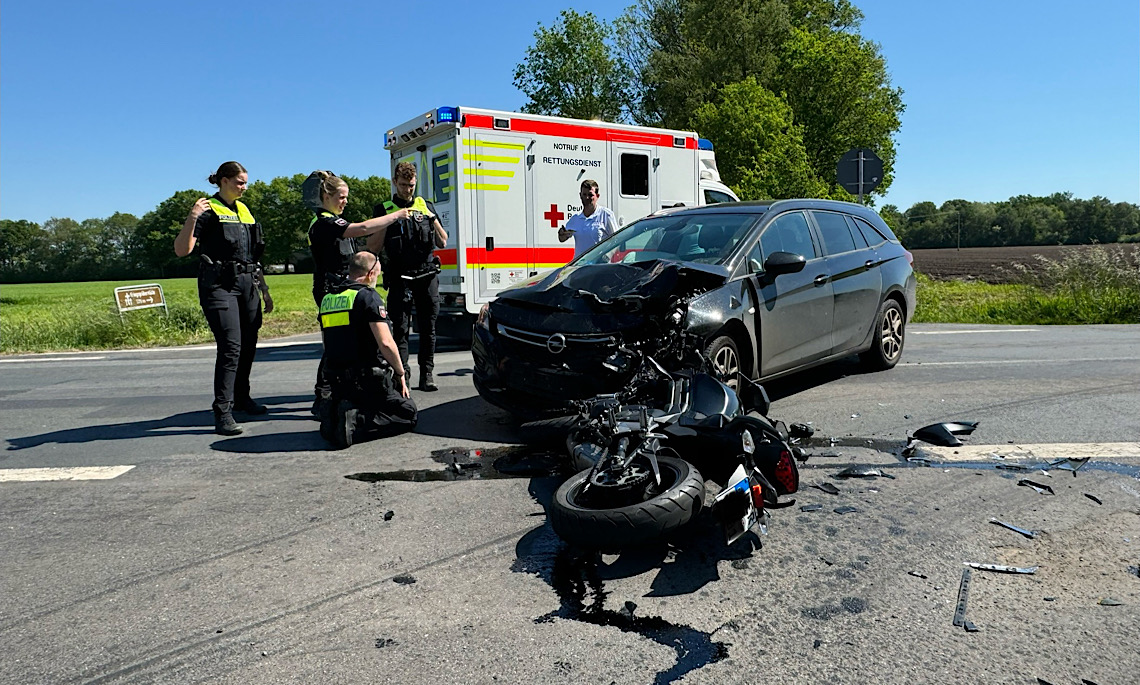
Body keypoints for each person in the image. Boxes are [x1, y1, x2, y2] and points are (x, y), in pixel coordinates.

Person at [174, 161, 270, 436]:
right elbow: (182, 250)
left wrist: (264, 289)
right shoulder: (207, 209)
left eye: (245, 182)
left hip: (247, 283)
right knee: (231, 346)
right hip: (219, 285)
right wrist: (192, 217)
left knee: (249, 343)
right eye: (240, 182)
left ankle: (242, 397)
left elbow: (252, 256)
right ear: (224, 181)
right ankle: (223, 411)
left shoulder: (244, 210)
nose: (244, 187)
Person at [307, 171, 409, 413]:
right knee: (335, 343)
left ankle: (343, 389)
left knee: (347, 341)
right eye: (341, 197)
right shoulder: (324, 222)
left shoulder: (333, 220)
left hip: (342, 288)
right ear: (326, 195)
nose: (345, 202)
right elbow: (362, 228)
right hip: (330, 290)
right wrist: (394, 216)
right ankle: (323, 396)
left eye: (346, 197)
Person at [318, 251, 418, 448]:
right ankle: (357, 421)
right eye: (378, 275)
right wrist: (400, 373)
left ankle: (336, 417)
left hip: (337, 379)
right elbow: (386, 342)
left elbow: (325, 343)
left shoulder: (328, 298)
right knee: (408, 413)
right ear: (370, 274)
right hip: (367, 378)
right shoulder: (367, 297)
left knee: (361, 401)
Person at [368, 162, 447, 392]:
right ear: (394, 182)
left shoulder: (425, 205)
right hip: (400, 277)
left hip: (427, 275)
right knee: (400, 329)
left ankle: (427, 374)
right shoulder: (383, 209)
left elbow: (442, 241)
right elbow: (373, 246)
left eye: (411, 186)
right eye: (403, 185)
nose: (407, 190)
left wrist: (431, 218)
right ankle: (403, 376)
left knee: (428, 328)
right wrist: (391, 218)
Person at [558, 179, 619, 258]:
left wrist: (606, 257)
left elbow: (617, 240)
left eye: (590, 195)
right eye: (584, 194)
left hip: (598, 266)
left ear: (597, 196)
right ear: (580, 195)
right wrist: (561, 234)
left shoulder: (606, 215)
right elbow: (562, 238)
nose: (587, 197)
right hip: (580, 266)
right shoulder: (575, 219)